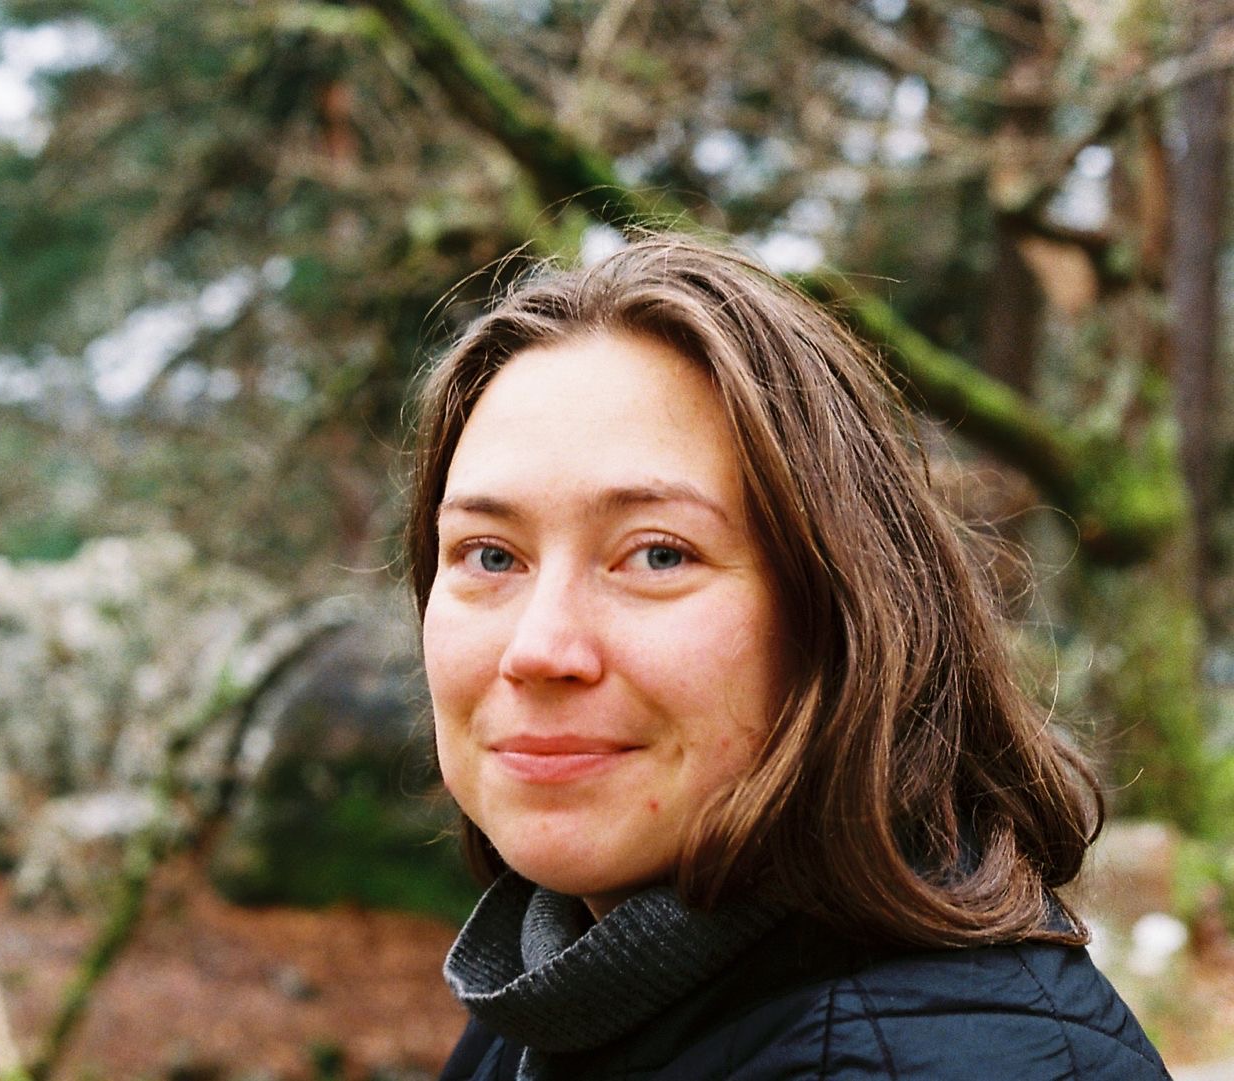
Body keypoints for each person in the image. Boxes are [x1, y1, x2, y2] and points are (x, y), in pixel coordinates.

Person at [402, 235, 1170, 1080]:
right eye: (490, 555)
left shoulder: (942, 1061)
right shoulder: (553, 1001)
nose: (540, 649)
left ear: (842, 612)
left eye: (658, 554)